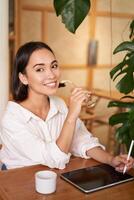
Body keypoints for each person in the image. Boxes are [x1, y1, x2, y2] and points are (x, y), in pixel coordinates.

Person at [0, 41, 133, 171]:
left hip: (54, 178)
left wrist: (111, 160)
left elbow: (81, 140)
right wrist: (71, 116)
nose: (52, 75)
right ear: (23, 78)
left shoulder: (59, 104)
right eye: (40, 69)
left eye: (54, 66)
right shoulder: (11, 118)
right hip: (18, 183)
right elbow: (54, 159)